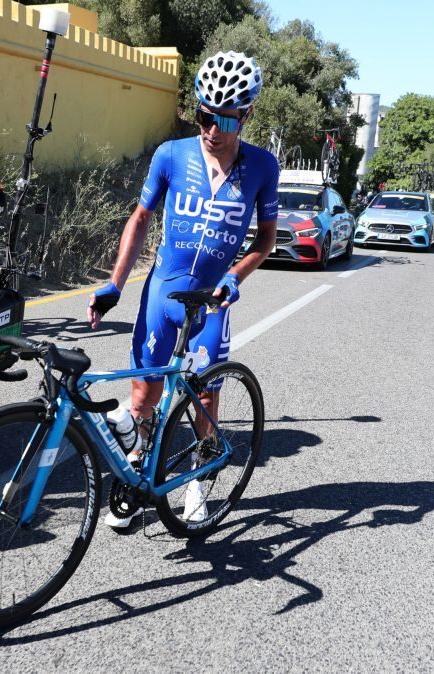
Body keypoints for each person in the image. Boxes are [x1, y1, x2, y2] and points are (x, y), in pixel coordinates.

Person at [86, 51, 279, 528]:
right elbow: (140, 219)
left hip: (212, 302)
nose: (212, 130)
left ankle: (196, 480)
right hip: (162, 293)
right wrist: (114, 283)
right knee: (142, 395)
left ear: (247, 115)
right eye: (204, 116)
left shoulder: (262, 167)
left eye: (225, 121)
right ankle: (137, 475)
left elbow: (267, 241)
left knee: (205, 397)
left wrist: (235, 276)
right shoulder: (171, 154)